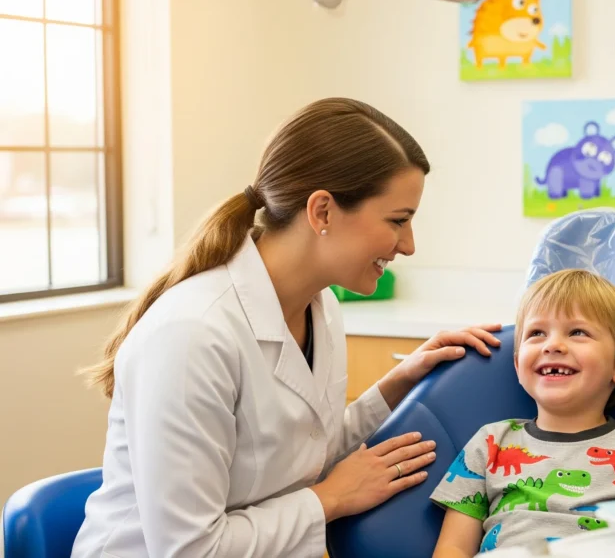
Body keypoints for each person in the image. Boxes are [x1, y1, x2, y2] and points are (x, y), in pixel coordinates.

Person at [71, 98, 502, 557]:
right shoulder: (191, 335)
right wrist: (332, 498)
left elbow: (297, 453)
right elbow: (188, 550)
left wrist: (401, 381)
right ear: (322, 212)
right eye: (398, 220)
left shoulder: (323, 307)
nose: (409, 245)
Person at [430, 269, 615, 556]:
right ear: (518, 365)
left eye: (578, 332)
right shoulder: (491, 440)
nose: (552, 345)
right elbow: (453, 547)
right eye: (536, 333)